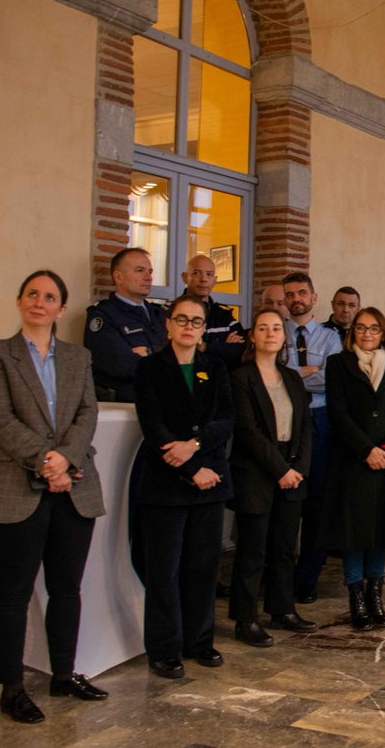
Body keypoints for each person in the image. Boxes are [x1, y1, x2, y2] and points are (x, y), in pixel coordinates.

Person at [0, 270, 107, 723]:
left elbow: (88, 412)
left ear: (60, 308)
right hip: (13, 487)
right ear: (19, 301)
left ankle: (63, 674)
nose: (40, 302)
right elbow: (0, 417)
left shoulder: (78, 358)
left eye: (49, 296)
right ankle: (11, 688)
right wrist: (45, 461)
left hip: (74, 486)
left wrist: (66, 460)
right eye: (32, 294)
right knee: (12, 593)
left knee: (66, 590)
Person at [134, 295, 234, 679]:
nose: (189, 327)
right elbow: (153, 425)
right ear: (169, 325)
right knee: (165, 571)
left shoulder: (216, 368)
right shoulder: (150, 369)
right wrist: (190, 467)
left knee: (203, 567)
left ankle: (200, 641)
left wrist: (194, 450)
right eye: (182, 320)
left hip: (210, 481)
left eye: (196, 321)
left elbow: (226, 419)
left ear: (204, 328)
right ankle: (164, 649)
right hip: (166, 485)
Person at [317, 307, 385, 629]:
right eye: (360, 328)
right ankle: (357, 600)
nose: (367, 334)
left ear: (383, 333)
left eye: (374, 329)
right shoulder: (338, 364)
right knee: (354, 533)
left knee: (380, 530)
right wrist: (366, 450)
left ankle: (376, 596)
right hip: (353, 460)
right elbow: (338, 413)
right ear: (352, 333)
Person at [228, 309, 315, 648]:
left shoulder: (291, 378)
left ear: (283, 336)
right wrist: (280, 470)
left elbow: (305, 426)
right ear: (253, 336)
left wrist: (299, 470)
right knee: (252, 550)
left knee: (283, 547)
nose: (270, 333)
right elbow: (248, 432)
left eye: (276, 328)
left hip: (292, 470)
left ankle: (282, 608)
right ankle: (245, 618)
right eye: (263, 328)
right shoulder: (241, 377)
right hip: (258, 472)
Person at [285, 272, 344, 604]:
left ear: (313, 297)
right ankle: (279, 575)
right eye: (290, 293)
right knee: (287, 501)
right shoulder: (276, 332)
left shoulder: (330, 337)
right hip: (286, 422)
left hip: (321, 422)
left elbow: (332, 379)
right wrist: (305, 373)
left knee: (318, 504)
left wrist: (292, 374)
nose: (297, 298)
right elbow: (272, 378)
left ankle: (306, 578)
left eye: (302, 292)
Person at [83, 247, 167, 402]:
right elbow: (122, 365)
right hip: (125, 406)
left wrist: (148, 351)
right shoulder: (102, 315)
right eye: (140, 270)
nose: (148, 277)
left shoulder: (160, 314)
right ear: (118, 277)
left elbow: (183, 355)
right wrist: (166, 358)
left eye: (150, 271)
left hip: (164, 403)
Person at [182, 254, 245, 369]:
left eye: (209, 274)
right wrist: (222, 347)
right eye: (197, 273)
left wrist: (205, 347)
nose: (204, 279)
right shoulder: (172, 313)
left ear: (215, 280)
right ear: (185, 277)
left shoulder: (224, 315)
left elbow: (239, 352)